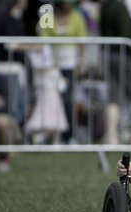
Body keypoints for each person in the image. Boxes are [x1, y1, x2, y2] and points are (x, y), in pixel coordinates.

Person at [39, 0, 87, 143]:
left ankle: (69, 135)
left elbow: (82, 40)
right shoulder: (48, 17)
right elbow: (44, 39)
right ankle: (50, 135)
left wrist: (80, 61)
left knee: (67, 100)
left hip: (70, 65)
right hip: (52, 65)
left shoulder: (77, 16)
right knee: (50, 99)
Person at [100, 0, 131, 144]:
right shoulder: (118, 7)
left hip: (109, 54)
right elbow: (126, 32)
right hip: (122, 54)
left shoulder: (105, 6)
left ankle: (112, 138)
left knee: (113, 96)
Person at [25, 44, 69, 144]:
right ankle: (41, 138)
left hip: (47, 94)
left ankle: (54, 141)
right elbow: (59, 83)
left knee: (53, 119)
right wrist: (63, 82)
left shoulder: (40, 68)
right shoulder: (48, 68)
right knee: (53, 119)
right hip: (50, 95)